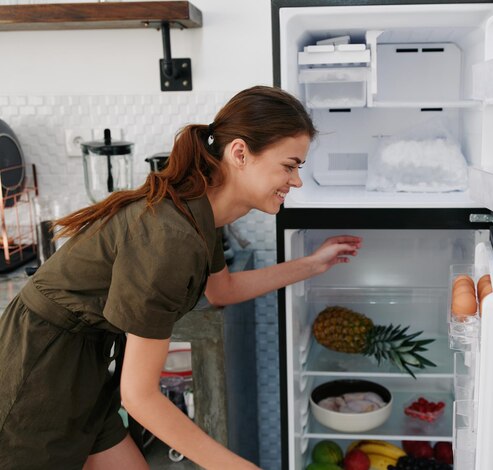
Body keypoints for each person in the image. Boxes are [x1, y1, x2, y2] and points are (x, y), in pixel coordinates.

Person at [0, 85, 361, 469]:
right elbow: (138, 396)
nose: (296, 181)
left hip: (84, 370)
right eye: (289, 166)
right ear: (240, 153)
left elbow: (223, 290)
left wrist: (312, 264)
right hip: (39, 374)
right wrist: (237, 467)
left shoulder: (199, 213)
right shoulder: (172, 236)